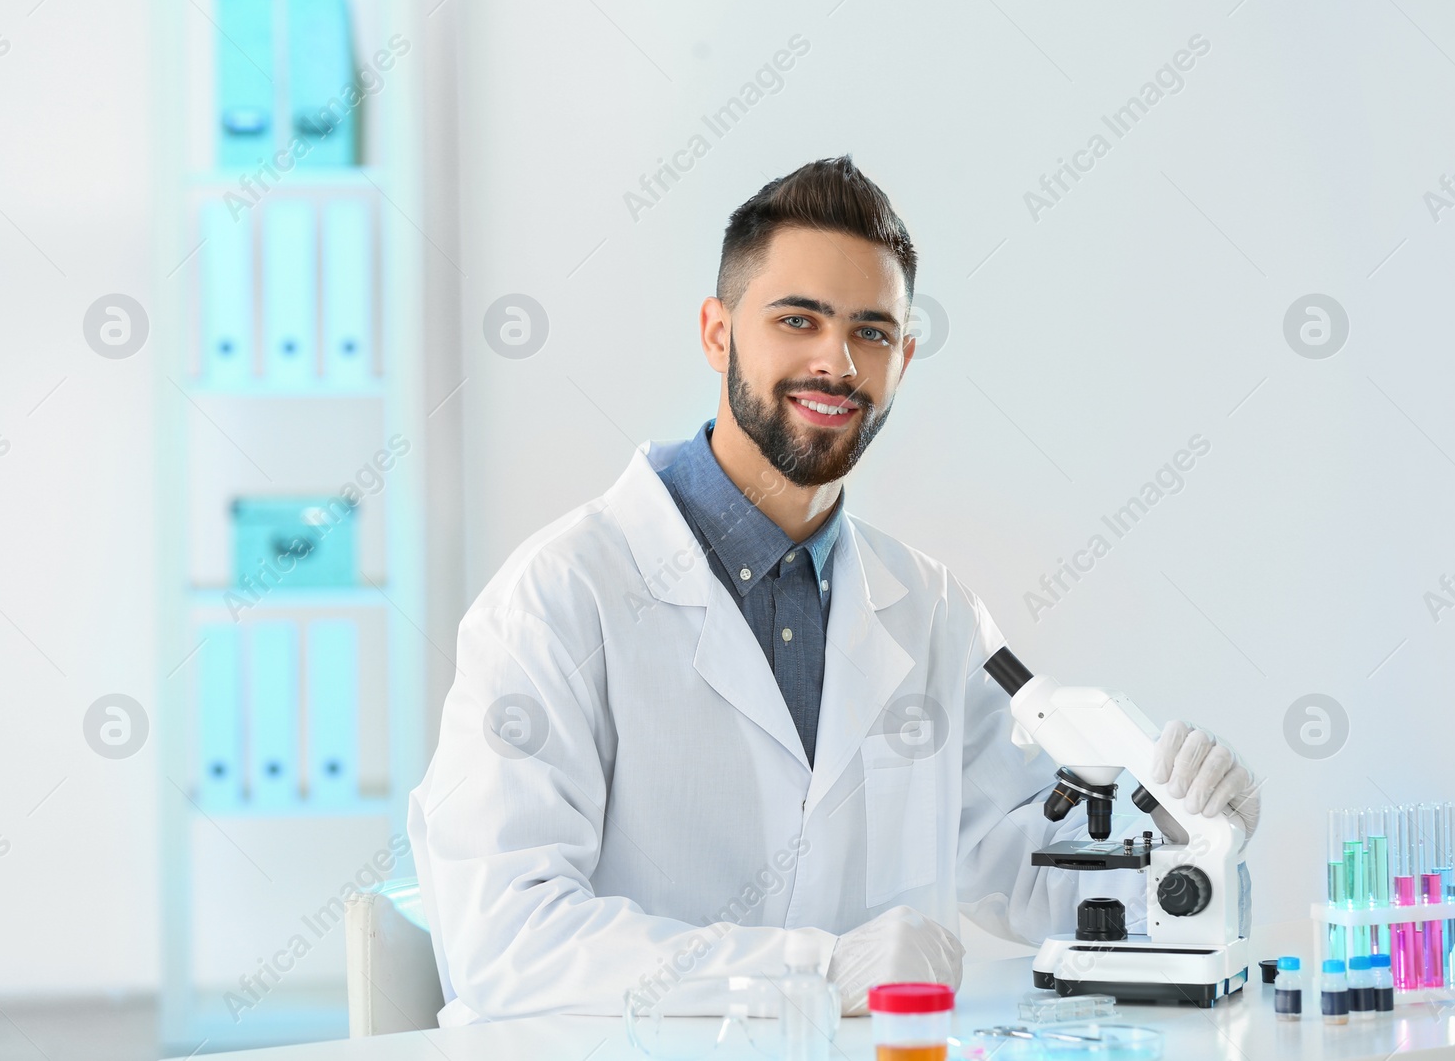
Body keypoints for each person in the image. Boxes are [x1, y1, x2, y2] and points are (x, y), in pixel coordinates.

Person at [405, 155, 1260, 1025]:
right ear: (717, 332)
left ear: (904, 357)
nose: (837, 362)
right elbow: (505, 938)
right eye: (797, 319)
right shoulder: (559, 598)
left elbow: (1025, 860)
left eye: (872, 332)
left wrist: (1186, 837)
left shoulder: (930, 612)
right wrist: (819, 968)